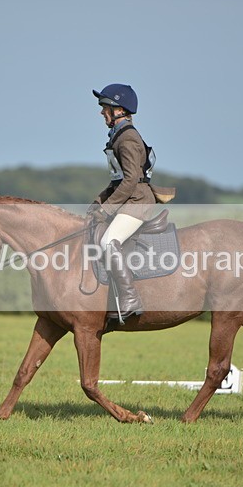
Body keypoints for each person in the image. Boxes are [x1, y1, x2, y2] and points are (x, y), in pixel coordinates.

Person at [88, 84, 156, 320]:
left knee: (109, 241)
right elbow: (117, 181)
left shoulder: (127, 139)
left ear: (118, 110)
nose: (101, 113)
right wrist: (97, 204)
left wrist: (107, 209)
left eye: (104, 107)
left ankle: (129, 298)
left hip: (137, 201)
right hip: (130, 198)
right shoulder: (118, 137)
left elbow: (129, 181)